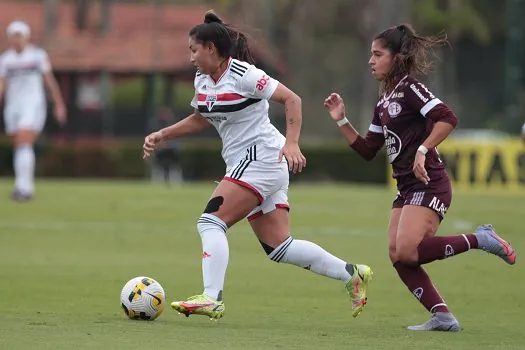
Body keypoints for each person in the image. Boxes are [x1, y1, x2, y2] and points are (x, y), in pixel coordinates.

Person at [143, 11, 372, 320]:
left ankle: (212, 297)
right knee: (280, 247)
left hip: (260, 157)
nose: (191, 57)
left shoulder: (244, 74)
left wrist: (292, 143)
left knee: (210, 223)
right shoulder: (202, 80)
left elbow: (293, 100)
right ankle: (351, 274)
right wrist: (163, 134)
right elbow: (202, 117)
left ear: (211, 47)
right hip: (258, 163)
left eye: (193, 50)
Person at [323, 24, 517, 331]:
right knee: (398, 255)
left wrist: (424, 149)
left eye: (377, 54)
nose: (371, 61)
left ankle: (481, 239)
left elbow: (447, 117)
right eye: (370, 55)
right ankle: (442, 316)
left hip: (429, 182)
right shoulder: (383, 102)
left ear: (397, 58)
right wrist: (342, 120)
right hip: (407, 188)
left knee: (408, 250)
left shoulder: (410, 88)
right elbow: (368, 149)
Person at [0, 20, 66, 201]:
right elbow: (2, 85)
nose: (16, 40)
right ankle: (22, 185)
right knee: (19, 145)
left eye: (19, 36)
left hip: (33, 104)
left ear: (26, 37)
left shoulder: (37, 56)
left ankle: (25, 188)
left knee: (24, 140)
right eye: (13, 36)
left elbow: (49, 81)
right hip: (13, 106)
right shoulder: (6, 59)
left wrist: (59, 104)